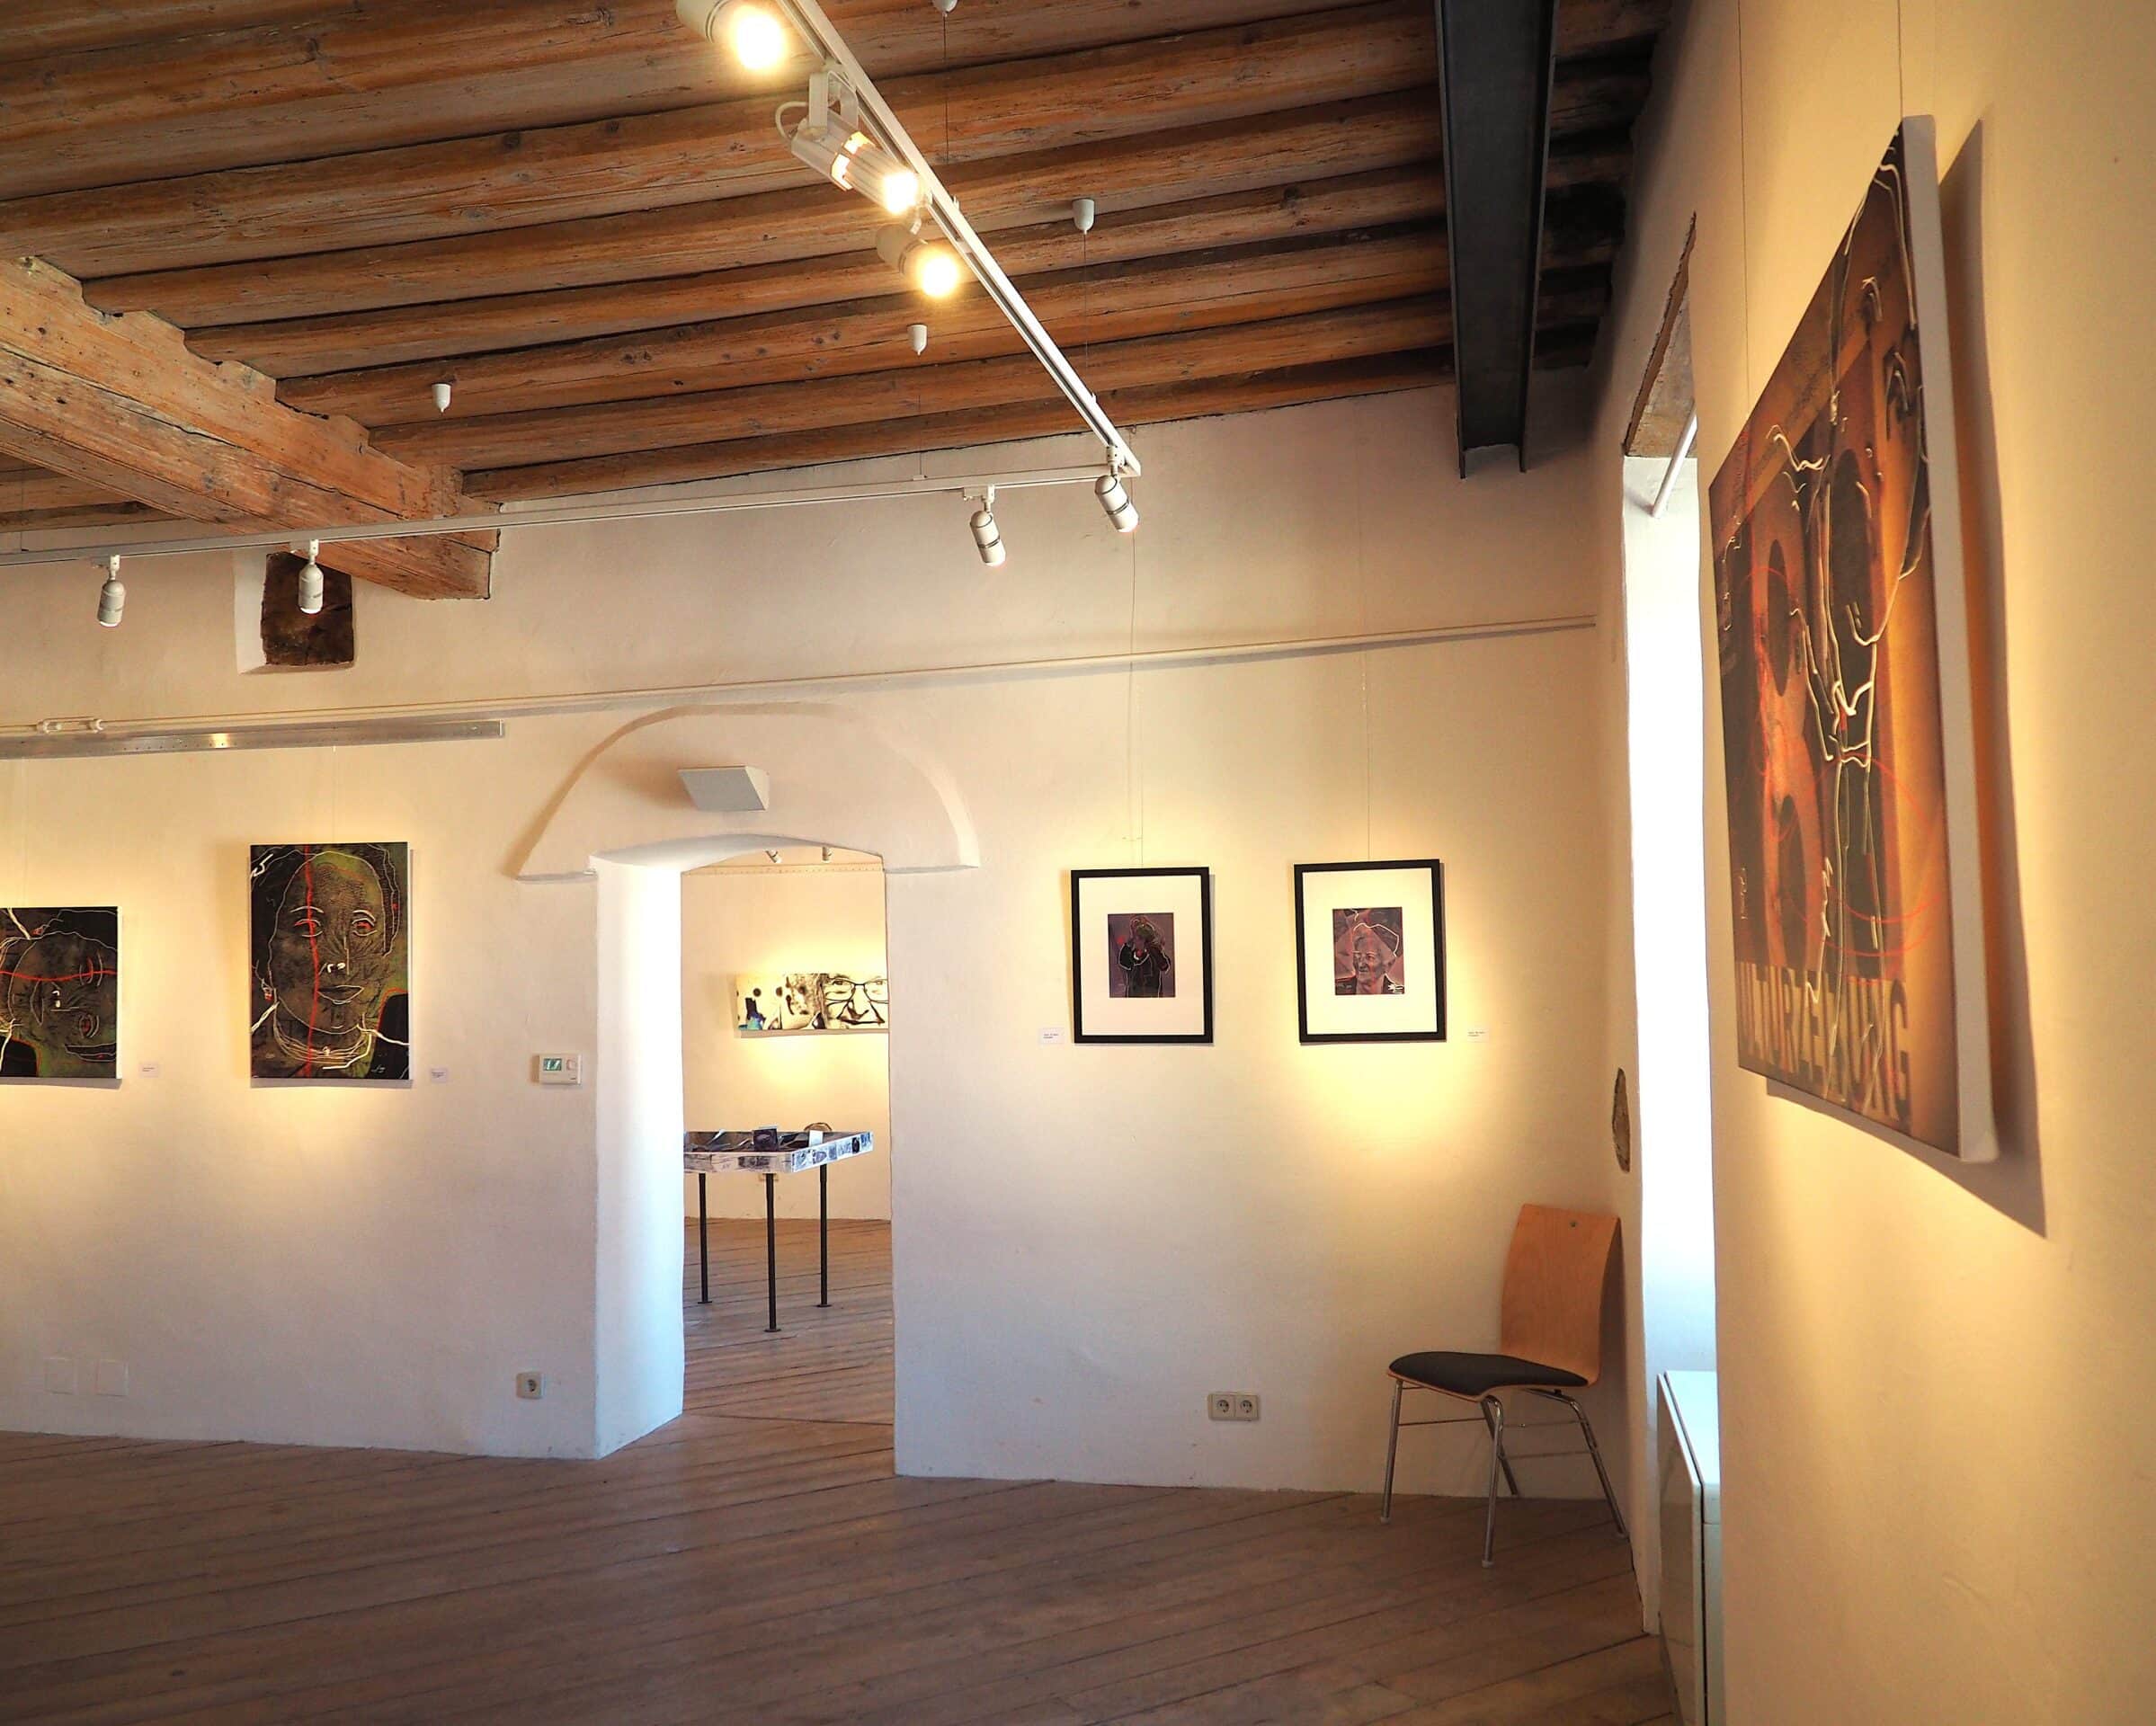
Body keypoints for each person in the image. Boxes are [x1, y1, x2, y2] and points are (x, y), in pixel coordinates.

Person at [249, 845, 408, 1081]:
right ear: (264, 951)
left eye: (362, 926)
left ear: (385, 945)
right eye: (309, 927)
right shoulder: (249, 1060)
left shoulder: (401, 1060)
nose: (341, 962)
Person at [1335, 915, 1405, 996]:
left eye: (1370, 957)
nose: (1361, 964)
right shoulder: (1337, 990)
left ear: (1389, 964)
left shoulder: (1399, 994)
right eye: (1357, 956)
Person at [1116, 916, 1172, 998]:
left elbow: (1164, 966)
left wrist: (1154, 950)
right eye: (1136, 938)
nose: (1136, 941)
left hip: (1152, 998)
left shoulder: (1154, 953)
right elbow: (1123, 961)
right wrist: (1131, 943)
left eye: (1140, 938)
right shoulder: (1130, 953)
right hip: (1133, 998)